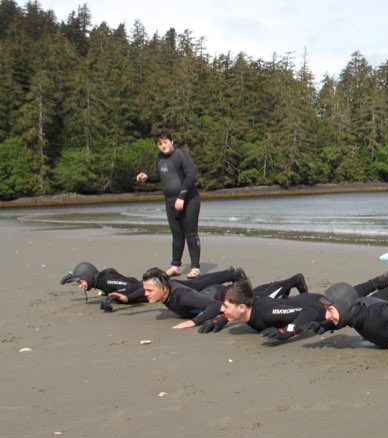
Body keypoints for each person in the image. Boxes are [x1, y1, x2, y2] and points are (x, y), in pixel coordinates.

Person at [214, 272, 388, 338]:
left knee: (360, 306)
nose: (222, 310)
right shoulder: (249, 306)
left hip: (315, 306)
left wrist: (287, 331)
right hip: (306, 302)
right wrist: (222, 317)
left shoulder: (268, 312)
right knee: (351, 296)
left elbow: (309, 311)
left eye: (225, 306)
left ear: (242, 307)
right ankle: (378, 282)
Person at [136, 128, 202, 278]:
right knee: (177, 235)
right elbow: (158, 176)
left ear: (171, 141)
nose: (163, 146)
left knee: (190, 233)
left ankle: (195, 267)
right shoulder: (159, 158)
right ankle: (175, 266)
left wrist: (182, 197)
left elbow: (191, 176)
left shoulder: (181, 155)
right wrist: (146, 177)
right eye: (160, 143)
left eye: (165, 142)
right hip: (170, 201)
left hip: (189, 200)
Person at [59, 261, 247, 312]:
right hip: (153, 291)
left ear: (88, 276)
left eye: (80, 281)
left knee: (195, 284)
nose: (80, 285)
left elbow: (131, 284)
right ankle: (230, 274)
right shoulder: (102, 282)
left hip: (159, 288)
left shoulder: (107, 280)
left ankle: (232, 274)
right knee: (196, 284)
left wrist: (125, 296)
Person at [141, 266, 258, 329]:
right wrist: (128, 297)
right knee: (196, 283)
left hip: (217, 294)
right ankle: (231, 274)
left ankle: (238, 280)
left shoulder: (183, 297)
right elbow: (141, 291)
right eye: (145, 290)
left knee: (251, 296)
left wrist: (193, 322)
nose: (145, 293)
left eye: (149, 290)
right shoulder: (163, 289)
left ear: (164, 289)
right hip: (205, 293)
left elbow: (215, 305)